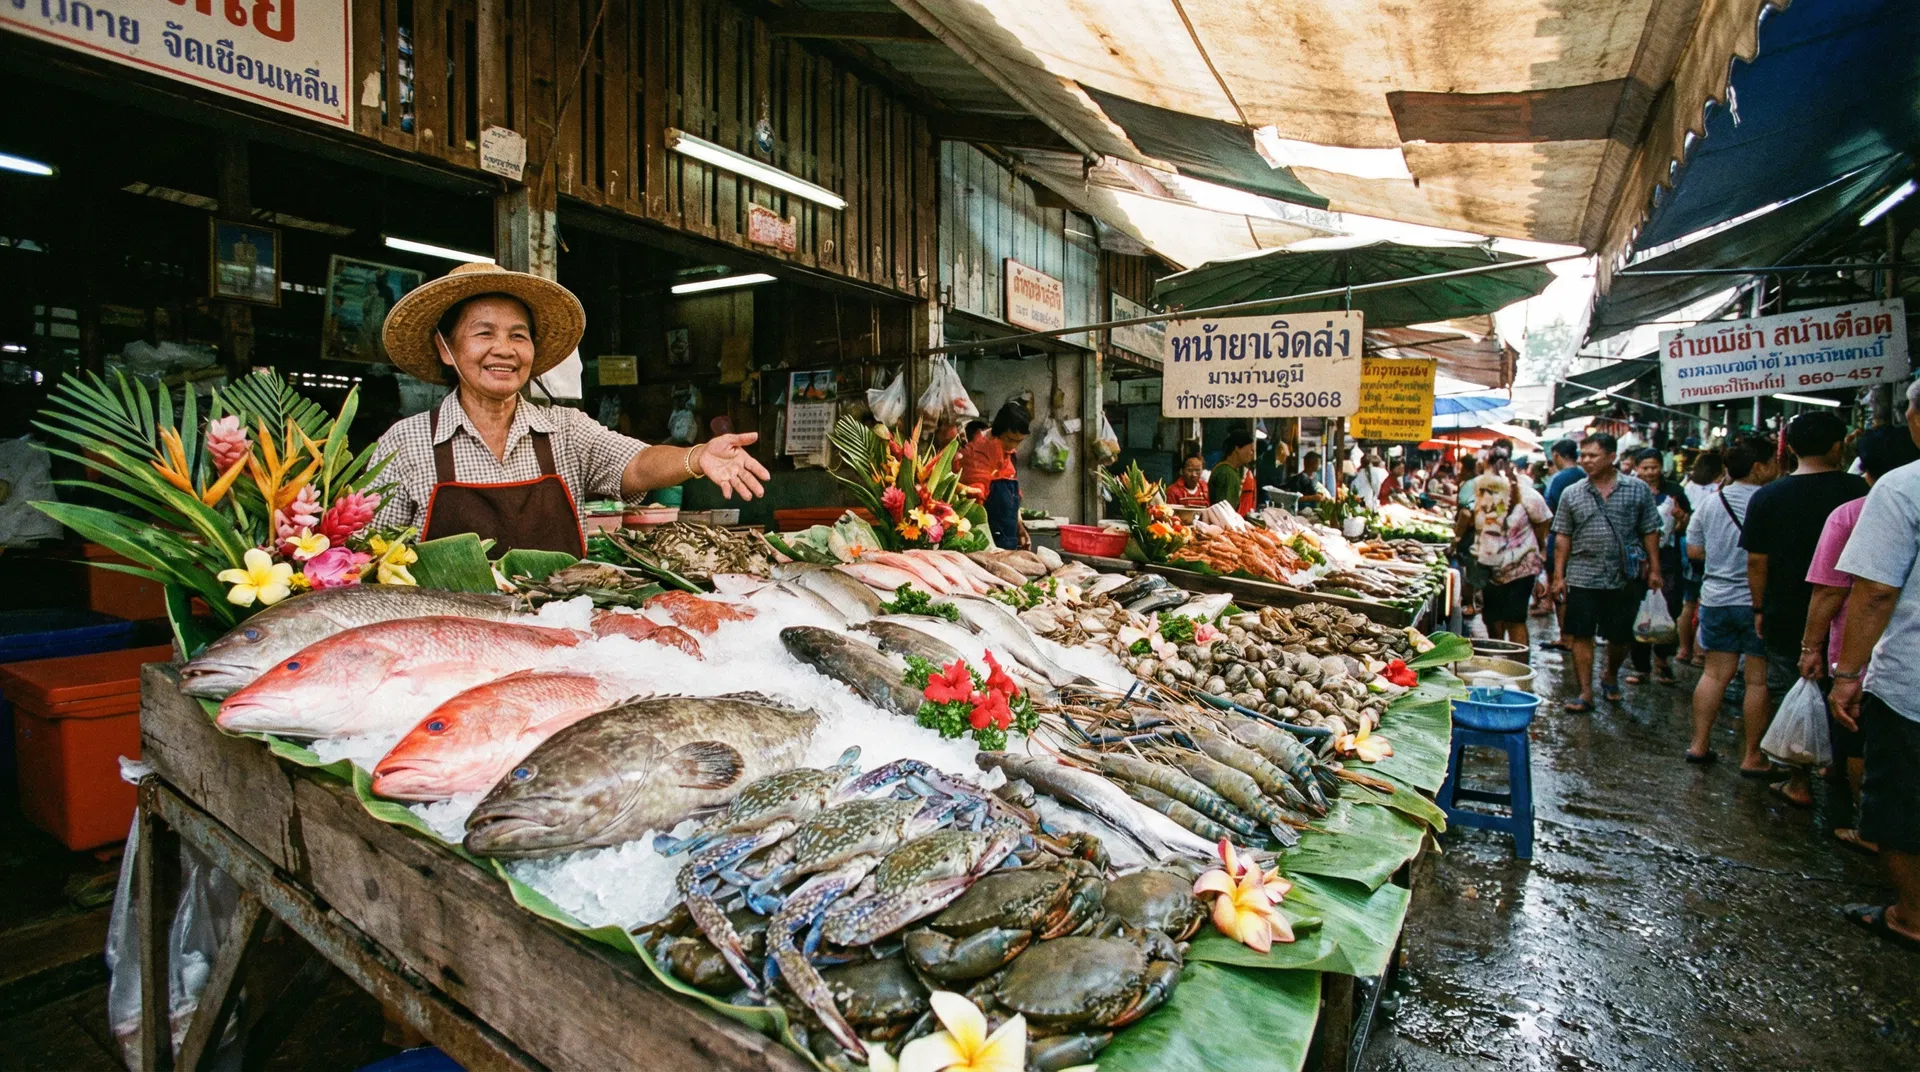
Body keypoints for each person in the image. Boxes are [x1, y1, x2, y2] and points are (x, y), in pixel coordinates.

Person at [373, 262, 768, 554]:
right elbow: (371, 556)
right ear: (446, 348)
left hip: (559, 635)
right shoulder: (406, 443)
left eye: (518, 336)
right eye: (484, 333)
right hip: (454, 648)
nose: (505, 350)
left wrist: (696, 457)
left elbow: (637, 463)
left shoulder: (565, 430)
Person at [1828, 378, 1920, 953]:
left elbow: (1874, 592)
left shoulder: (1905, 487)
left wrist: (1847, 674)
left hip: (1913, 682)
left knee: (1903, 799)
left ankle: (1911, 915)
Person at [1800, 426, 1920, 853]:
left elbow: (1839, 589)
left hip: (1882, 658)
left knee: (1864, 747)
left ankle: (1868, 832)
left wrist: (1821, 655)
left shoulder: (1861, 510)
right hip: (1894, 657)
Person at [1743, 411, 1868, 807]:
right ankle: (1840, 773)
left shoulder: (1767, 496)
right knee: (1852, 695)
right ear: (1839, 445)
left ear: (1790, 448)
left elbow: (1757, 562)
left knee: (1796, 691)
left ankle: (1799, 780)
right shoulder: (1860, 493)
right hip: (1855, 614)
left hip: (1787, 612)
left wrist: (1759, 608)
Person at [1550, 433, 1662, 712]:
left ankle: (1611, 673)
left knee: (1621, 636)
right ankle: (1585, 692)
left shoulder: (1637, 490)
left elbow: (1650, 530)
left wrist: (1655, 568)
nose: (1586, 460)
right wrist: (1558, 575)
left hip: (1624, 575)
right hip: (1583, 574)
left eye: (1593, 455)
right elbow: (1563, 536)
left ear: (1612, 457)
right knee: (1581, 633)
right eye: (1583, 455)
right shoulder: (1572, 493)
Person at [1685, 435, 1778, 768]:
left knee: (1713, 675)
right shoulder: (1772, 500)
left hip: (1715, 599)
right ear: (1759, 467)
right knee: (1756, 680)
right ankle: (1752, 756)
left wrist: (1722, 561)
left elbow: (1693, 550)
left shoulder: (1712, 501)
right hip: (1758, 603)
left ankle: (1698, 745)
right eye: (1773, 461)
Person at [1469, 452, 1552, 647]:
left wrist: (1540, 554)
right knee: (1492, 619)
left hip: (1521, 567)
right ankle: (1499, 660)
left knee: (1515, 619)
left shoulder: (1529, 496)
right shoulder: (1482, 494)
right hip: (1489, 567)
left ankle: (1519, 666)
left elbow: (1542, 525)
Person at [1626, 448, 1690, 686]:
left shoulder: (1674, 491)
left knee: (1671, 604)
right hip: (1637, 558)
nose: (1650, 472)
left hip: (1667, 558)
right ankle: (1641, 667)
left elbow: (1684, 526)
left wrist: (1681, 517)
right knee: (1636, 608)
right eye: (1645, 468)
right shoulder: (1629, 490)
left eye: (1654, 467)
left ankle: (1662, 657)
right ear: (1637, 468)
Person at [959, 402, 1031, 549]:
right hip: (983, 541)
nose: (1013, 446)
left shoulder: (1009, 454)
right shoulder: (974, 453)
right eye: (1009, 439)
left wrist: (1020, 527)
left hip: (1008, 538)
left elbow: (1013, 495)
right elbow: (973, 505)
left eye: (1018, 441)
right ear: (997, 431)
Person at [1676, 450, 1725, 665]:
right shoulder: (1720, 490)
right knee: (1704, 601)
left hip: (1687, 545)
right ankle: (1699, 653)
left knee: (1688, 602)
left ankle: (1684, 650)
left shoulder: (1688, 485)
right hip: (1708, 548)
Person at [1540, 439, 1584, 643]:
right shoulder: (1584, 476)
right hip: (1581, 542)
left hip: (1560, 539)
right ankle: (1575, 635)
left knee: (1560, 587)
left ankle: (1565, 637)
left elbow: (1549, 514)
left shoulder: (1559, 480)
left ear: (1556, 455)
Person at [1209, 429, 1259, 514]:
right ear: (1237, 448)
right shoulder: (1227, 473)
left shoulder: (1227, 470)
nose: (1252, 454)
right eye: (1250, 449)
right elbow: (1226, 511)